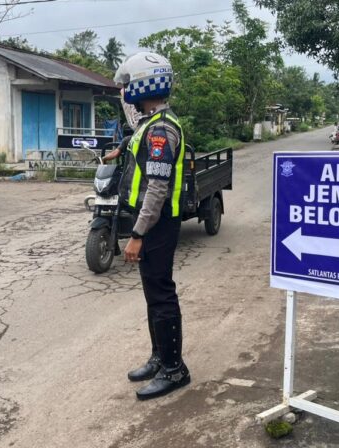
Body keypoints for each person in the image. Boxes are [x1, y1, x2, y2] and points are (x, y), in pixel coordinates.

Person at [114, 51, 190, 400]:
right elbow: (138, 149)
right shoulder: (150, 122)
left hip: (157, 224)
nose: (125, 91)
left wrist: (138, 234)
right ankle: (160, 357)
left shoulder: (161, 129)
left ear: (146, 82)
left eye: (128, 84)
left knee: (161, 295)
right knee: (152, 294)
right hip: (152, 223)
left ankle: (175, 370)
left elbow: (157, 188)